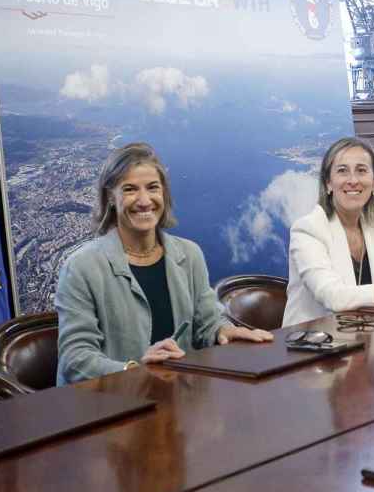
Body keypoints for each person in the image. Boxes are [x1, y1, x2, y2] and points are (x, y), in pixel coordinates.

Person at [56, 142, 272, 385]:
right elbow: (75, 359)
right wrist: (135, 369)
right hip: (112, 406)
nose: (144, 200)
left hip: (181, 398)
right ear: (111, 197)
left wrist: (224, 331)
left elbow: (207, 324)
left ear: (164, 194)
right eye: (129, 189)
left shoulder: (190, 255)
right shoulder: (81, 268)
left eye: (152, 188)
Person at [283, 137, 374, 327]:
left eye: (361, 171)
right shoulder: (308, 229)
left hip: (369, 336)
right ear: (328, 183)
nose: (352, 180)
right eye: (342, 171)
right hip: (312, 342)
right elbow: (334, 297)